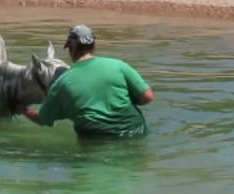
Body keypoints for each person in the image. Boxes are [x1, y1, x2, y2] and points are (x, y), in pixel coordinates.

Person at [23, 25, 155, 138]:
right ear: (94, 45)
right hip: (135, 134)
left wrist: (21, 109)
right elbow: (148, 97)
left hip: (96, 141)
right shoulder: (119, 66)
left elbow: (41, 119)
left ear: (71, 47)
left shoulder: (62, 83)